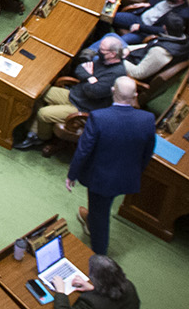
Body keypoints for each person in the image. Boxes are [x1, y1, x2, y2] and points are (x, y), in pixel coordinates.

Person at [66, 78, 157, 255]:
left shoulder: (99, 117)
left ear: (112, 90)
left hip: (101, 180)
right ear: (135, 95)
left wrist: (72, 174)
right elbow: (147, 152)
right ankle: (90, 220)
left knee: (101, 217)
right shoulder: (147, 118)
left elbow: (83, 150)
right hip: (127, 177)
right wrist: (137, 172)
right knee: (100, 207)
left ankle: (99, 258)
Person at [25, 37, 129, 148]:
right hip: (75, 95)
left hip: (83, 107)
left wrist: (89, 76)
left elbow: (93, 92)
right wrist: (90, 79)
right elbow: (80, 69)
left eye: (102, 49)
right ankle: (35, 130)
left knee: (43, 113)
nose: (98, 51)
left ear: (113, 54)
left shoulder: (116, 74)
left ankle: (41, 138)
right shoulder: (104, 60)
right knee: (39, 92)